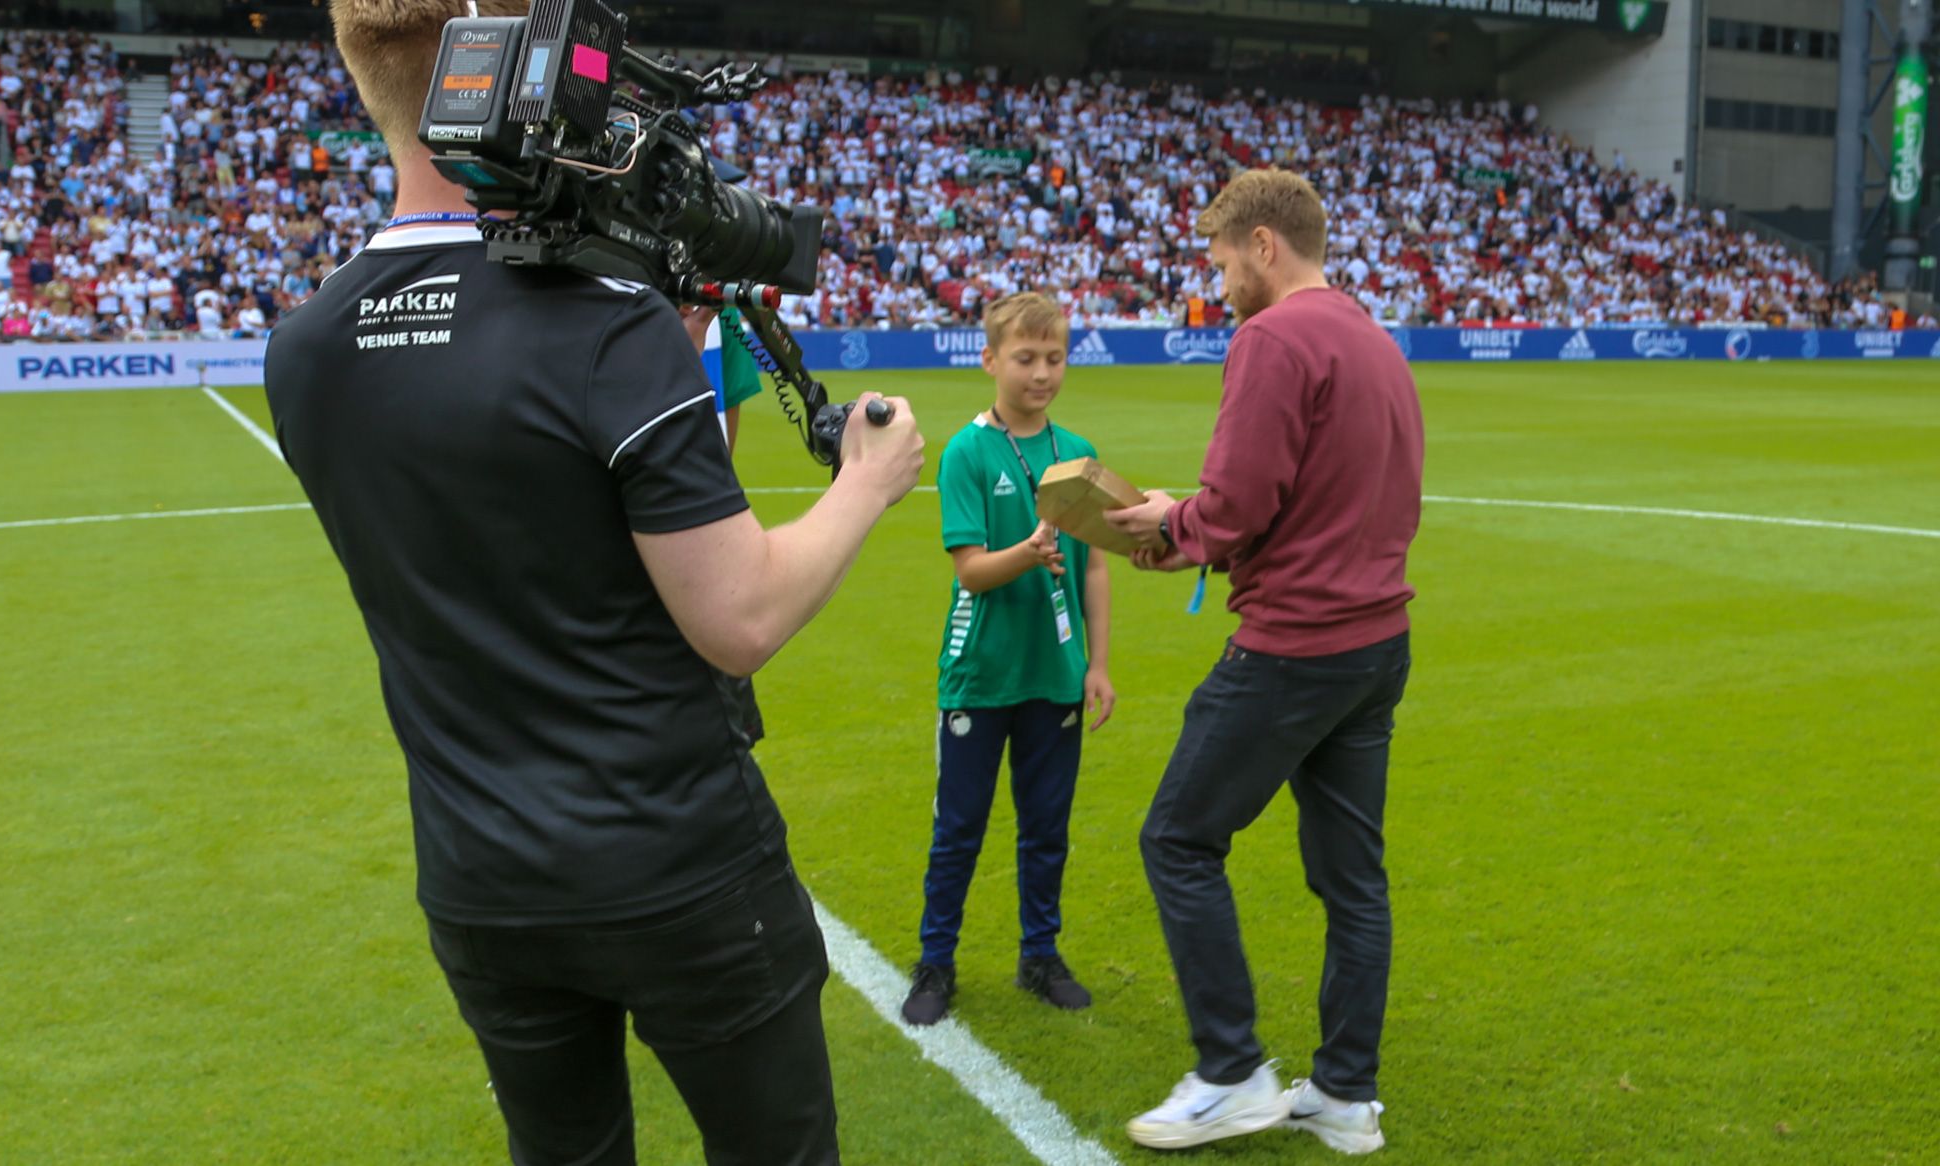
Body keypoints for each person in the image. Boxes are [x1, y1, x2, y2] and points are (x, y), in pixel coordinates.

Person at [265, 3, 925, 1164]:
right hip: (675, 865)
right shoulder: (602, 327)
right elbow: (739, 615)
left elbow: (525, 533)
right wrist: (865, 483)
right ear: (510, 73)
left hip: (480, 877)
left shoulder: (303, 345)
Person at [1106, 168, 1423, 1155]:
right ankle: (1343, 1093)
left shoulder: (1273, 335)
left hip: (1297, 640)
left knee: (1178, 837)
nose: (1219, 281)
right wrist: (1198, 525)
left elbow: (1236, 501)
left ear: (1263, 244)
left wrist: (1173, 523)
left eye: (1221, 259)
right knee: (1351, 879)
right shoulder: (1373, 336)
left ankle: (1233, 1071)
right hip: (1377, 639)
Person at [900, 291, 1115, 1028]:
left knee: (1046, 827)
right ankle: (936, 961)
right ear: (990, 360)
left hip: (1053, 675)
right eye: (1025, 358)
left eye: (1054, 358)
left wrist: (1097, 665)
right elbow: (970, 571)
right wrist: (1027, 553)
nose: (1042, 373)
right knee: (959, 826)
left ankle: (1040, 955)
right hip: (980, 675)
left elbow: (1093, 567)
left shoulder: (1078, 454)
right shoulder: (967, 451)